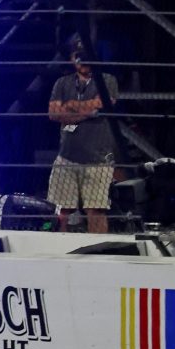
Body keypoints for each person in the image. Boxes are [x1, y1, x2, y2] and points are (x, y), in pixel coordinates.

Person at [48, 45, 119, 234]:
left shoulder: (107, 80)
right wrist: (89, 112)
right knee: (60, 211)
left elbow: (104, 103)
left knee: (96, 210)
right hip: (66, 156)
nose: (83, 60)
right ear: (72, 59)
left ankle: (99, 248)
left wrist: (71, 106)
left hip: (98, 159)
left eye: (86, 55)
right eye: (78, 56)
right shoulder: (62, 83)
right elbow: (54, 113)